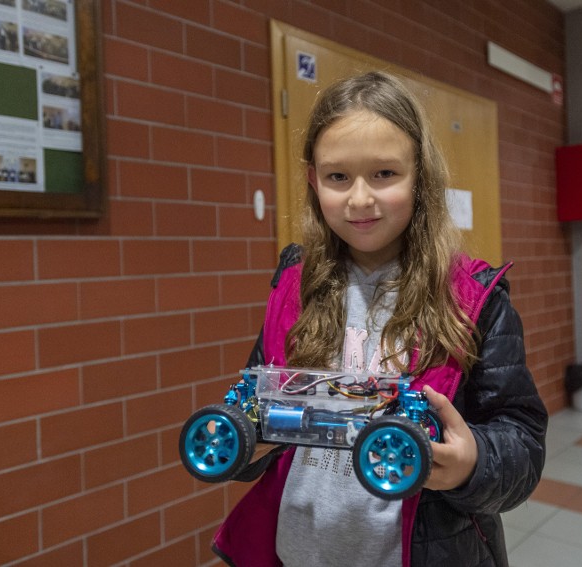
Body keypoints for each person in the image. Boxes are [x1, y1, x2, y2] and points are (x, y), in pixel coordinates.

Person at [212, 71, 547, 567]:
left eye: (385, 175)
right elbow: (261, 396)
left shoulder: (474, 300)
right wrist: (245, 435)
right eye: (338, 177)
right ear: (313, 180)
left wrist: (472, 461)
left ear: (421, 177)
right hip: (301, 549)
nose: (360, 199)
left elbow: (521, 436)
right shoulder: (293, 287)